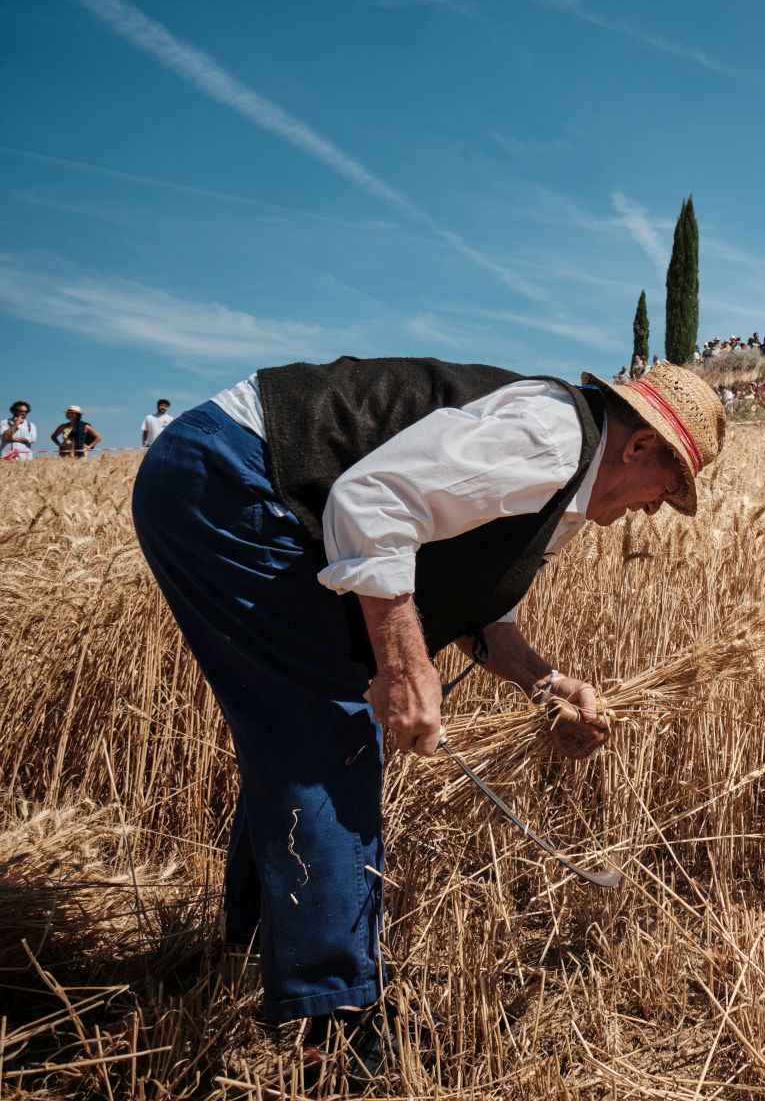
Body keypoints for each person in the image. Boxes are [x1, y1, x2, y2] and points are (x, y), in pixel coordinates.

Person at [130, 358, 723, 1084]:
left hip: (233, 479)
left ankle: (253, 949)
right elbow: (370, 499)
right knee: (327, 736)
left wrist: (547, 685)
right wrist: (406, 666)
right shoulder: (549, 437)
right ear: (638, 448)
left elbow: (480, 611)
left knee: (302, 730)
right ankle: (340, 1029)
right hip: (234, 476)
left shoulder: (564, 478)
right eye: (671, 485)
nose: (658, 509)